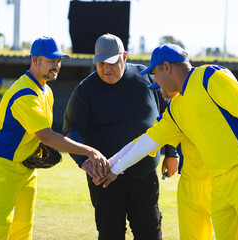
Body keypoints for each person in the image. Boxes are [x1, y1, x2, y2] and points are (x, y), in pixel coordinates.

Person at [98, 44, 238, 240]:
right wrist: (114, 167)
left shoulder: (209, 76)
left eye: (155, 73)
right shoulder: (177, 107)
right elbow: (146, 141)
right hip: (219, 184)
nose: (156, 80)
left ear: (166, 67)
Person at [0, 36, 109, 240]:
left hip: (26, 167)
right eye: (51, 61)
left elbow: (41, 137)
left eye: (59, 60)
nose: (57, 65)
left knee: (23, 228)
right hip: (2, 164)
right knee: (0, 228)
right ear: (35, 61)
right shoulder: (24, 93)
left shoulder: (46, 91)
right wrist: (89, 151)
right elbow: (48, 137)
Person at [62, 33, 178, 240]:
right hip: (105, 179)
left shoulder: (147, 77)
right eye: (101, 64)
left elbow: (167, 117)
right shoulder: (85, 90)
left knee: (150, 233)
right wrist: (83, 161)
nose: (106, 69)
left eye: (112, 63)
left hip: (144, 175)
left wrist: (171, 152)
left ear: (124, 56)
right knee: (110, 234)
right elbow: (71, 130)